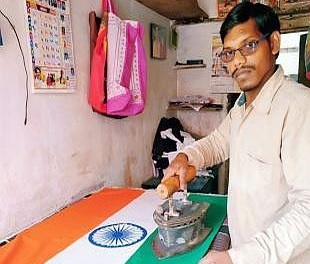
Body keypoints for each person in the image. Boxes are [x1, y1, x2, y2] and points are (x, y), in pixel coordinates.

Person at [162, 2, 310, 264]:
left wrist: (237, 258)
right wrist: (187, 158)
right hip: (245, 249)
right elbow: (218, 143)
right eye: (229, 53)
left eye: (249, 46)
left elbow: (308, 211)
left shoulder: (299, 108)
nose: (238, 61)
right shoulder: (242, 107)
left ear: (273, 43)